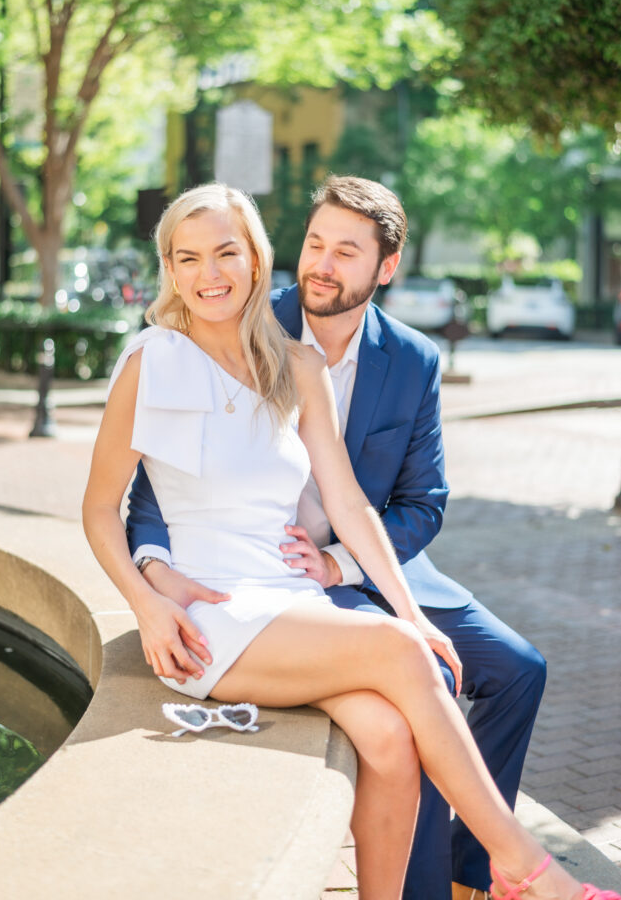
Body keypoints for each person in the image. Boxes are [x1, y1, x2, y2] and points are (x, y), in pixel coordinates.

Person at [83, 182, 617, 900]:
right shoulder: (150, 362)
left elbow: (355, 508)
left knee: (392, 739)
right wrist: (148, 600)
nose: (208, 274)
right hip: (211, 613)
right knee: (399, 655)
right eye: (187, 258)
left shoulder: (297, 367)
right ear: (169, 269)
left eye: (225, 253)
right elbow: (100, 510)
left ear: (254, 258)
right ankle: (525, 868)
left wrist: (412, 611)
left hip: (294, 594)